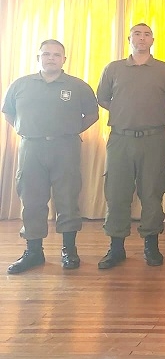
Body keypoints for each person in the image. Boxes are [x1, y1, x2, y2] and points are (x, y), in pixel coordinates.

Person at [2, 40, 99, 274]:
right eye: (46, 54)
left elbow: (93, 114)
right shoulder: (21, 84)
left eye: (57, 55)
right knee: (32, 199)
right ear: (38, 58)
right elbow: (8, 111)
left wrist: (70, 129)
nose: (51, 58)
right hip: (31, 148)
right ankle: (33, 252)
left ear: (64, 59)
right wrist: (26, 129)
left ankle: (69, 250)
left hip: (65, 147)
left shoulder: (77, 86)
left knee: (67, 198)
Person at [96, 23, 165, 269]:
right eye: (137, 34)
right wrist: (125, 112)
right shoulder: (113, 68)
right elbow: (103, 98)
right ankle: (116, 248)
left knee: (152, 192)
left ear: (152, 40)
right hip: (120, 139)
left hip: (154, 139)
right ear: (129, 38)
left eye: (146, 35)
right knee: (117, 192)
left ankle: (151, 246)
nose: (141, 38)